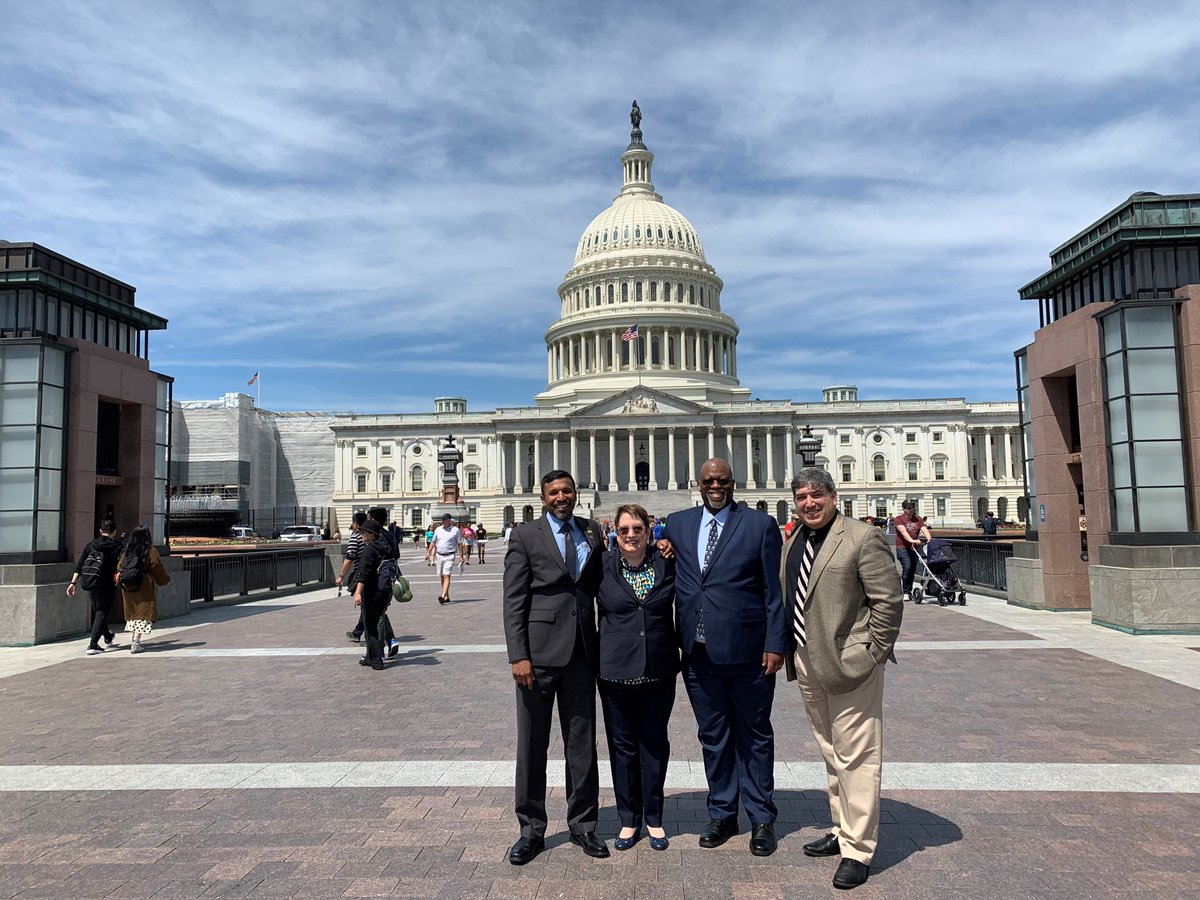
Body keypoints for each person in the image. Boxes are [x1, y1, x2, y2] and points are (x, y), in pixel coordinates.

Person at [783, 467, 903, 890]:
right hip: (809, 660)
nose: (809, 503)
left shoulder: (861, 537)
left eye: (817, 495)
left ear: (835, 496)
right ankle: (841, 829)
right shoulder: (796, 539)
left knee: (857, 755)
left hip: (852, 663)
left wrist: (873, 653)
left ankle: (859, 849)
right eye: (801, 497)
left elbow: (888, 601)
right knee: (832, 751)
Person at [661, 458, 786, 857]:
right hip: (697, 652)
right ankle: (722, 813)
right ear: (697, 484)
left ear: (734, 483)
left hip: (749, 650)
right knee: (713, 737)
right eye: (709, 481)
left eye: (723, 480)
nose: (716, 486)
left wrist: (775, 643)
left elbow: (773, 591)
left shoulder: (759, 525)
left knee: (754, 735)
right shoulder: (678, 525)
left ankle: (762, 817)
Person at [502, 469, 608, 865]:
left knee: (582, 744)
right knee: (532, 745)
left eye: (567, 491)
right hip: (538, 656)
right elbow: (513, 600)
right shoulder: (526, 536)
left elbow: (602, 581)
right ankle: (531, 828)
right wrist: (518, 655)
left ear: (575, 494)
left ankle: (583, 823)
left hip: (582, 653)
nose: (561, 497)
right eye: (554, 492)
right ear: (543, 497)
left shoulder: (592, 531)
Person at [596, 503, 677, 852]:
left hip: (657, 671)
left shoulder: (667, 561)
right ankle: (629, 819)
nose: (631, 535)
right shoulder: (600, 566)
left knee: (655, 745)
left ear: (650, 531)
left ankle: (654, 818)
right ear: (614, 531)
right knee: (623, 748)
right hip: (615, 673)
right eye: (624, 529)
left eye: (637, 528)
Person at [67, 519, 122, 655]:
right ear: (114, 532)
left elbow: (80, 565)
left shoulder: (91, 545)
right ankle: (93, 644)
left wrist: (73, 583)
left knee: (98, 611)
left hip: (91, 582)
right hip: (107, 584)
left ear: (100, 531)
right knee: (101, 612)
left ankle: (108, 636)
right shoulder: (117, 546)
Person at [118, 525, 171, 654]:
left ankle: (134, 639)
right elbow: (156, 566)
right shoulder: (150, 551)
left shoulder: (126, 551)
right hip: (144, 585)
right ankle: (136, 641)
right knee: (143, 613)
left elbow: (120, 566)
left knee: (133, 613)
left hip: (128, 586)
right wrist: (164, 580)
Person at [353, 519, 391, 670]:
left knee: (370, 628)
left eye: (364, 532)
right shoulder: (385, 548)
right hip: (385, 591)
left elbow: (364, 573)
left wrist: (357, 592)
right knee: (374, 623)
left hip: (371, 592)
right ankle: (370, 657)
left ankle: (376, 660)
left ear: (372, 534)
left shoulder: (369, 549)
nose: (361, 534)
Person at [894, 500, 931, 601]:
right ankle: (906, 592)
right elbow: (903, 531)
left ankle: (909, 590)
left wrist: (930, 540)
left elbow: (924, 529)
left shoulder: (918, 519)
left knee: (912, 570)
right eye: (909, 508)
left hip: (914, 548)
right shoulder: (899, 519)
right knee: (907, 567)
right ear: (904, 509)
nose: (912, 509)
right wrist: (912, 540)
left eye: (913, 507)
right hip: (902, 548)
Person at [338, 512, 367, 642]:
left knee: (366, 605)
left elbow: (349, 557)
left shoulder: (356, 537)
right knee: (368, 605)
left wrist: (341, 576)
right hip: (374, 573)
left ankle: (388, 638)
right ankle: (358, 631)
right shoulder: (372, 535)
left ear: (355, 523)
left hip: (361, 573)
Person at [426, 513, 462, 603]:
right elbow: (433, 542)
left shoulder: (455, 530)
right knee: (442, 576)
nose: (443, 521)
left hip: (450, 555)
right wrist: (428, 552)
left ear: (449, 520)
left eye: (445, 520)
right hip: (439, 555)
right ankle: (446, 596)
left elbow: (460, 543)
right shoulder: (438, 530)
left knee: (447, 575)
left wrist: (461, 556)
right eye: (442, 520)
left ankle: (442, 595)